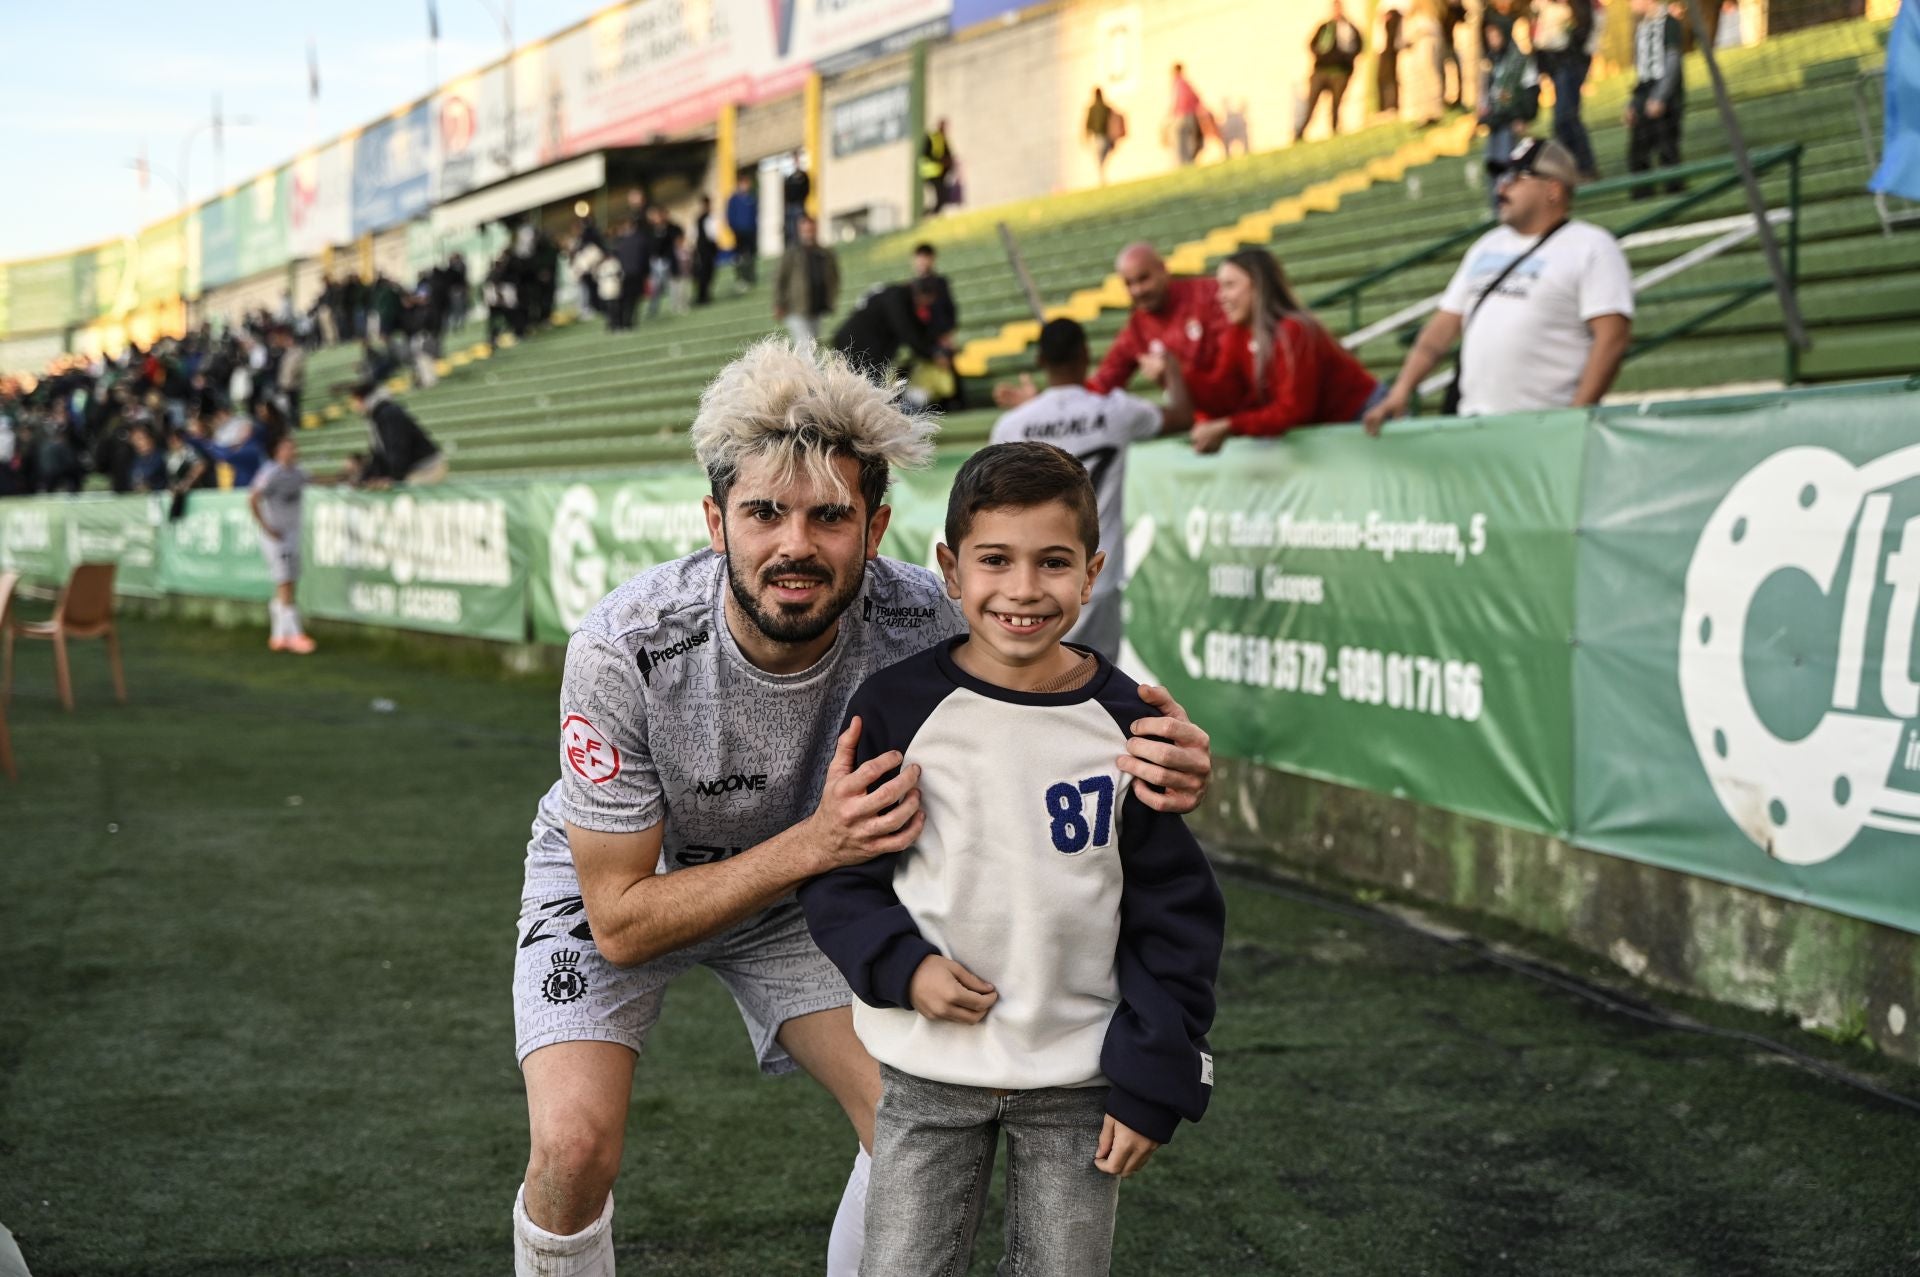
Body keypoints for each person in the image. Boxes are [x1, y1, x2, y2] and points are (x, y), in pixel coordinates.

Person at [505, 338, 1216, 1277]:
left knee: (907, 1114)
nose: (795, 543)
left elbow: (1072, 694)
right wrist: (816, 842)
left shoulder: (929, 615)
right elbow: (622, 922)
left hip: (817, 888)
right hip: (645, 878)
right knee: (572, 1149)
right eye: (763, 512)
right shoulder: (624, 646)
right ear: (714, 523)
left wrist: (1168, 753)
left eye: (828, 516)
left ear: (874, 530)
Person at [799, 440, 1224, 1277]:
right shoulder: (896, 707)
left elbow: (1174, 914)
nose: (1025, 589)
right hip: (926, 1068)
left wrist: (1152, 1079)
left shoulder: (1131, 720)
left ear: (1092, 572)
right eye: (996, 560)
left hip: (1078, 1078)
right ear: (951, 570)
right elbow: (841, 870)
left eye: (1053, 562)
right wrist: (905, 967)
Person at [1363, 138, 1633, 429]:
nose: (1500, 188)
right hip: (1474, 426)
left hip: (1543, 428)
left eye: (1515, 178)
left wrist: (1575, 418)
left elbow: (1612, 338)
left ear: (1553, 189)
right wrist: (1402, 389)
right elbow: (1442, 328)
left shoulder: (1592, 245)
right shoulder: (1486, 245)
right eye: (1501, 178)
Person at [988, 318, 1194, 659]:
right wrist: (1170, 366)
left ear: (1040, 360)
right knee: (1094, 690)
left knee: (1028, 688)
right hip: (1095, 577)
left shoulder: (1012, 425)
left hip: (1027, 584)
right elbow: (1183, 416)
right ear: (1086, 355)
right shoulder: (1117, 411)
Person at [1183, 249, 1380, 453]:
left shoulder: (1293, 331)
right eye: (1219, 287)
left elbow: (1293, 410)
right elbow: (1226, 395)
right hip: (1334, 429)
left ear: (1259, 287)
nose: (1219, 297)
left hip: (1366, 416)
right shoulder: (1238, 334)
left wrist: (1230, 426)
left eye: (1229, 286)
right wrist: (1177, 377)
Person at [994, 243, 1232, 411]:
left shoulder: (1210, 295)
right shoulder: (1136, 329)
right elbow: (1101, 385)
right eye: (1129, 284)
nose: (1137, 290)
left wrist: (1175, 374)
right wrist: (1049, 400)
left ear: (1163, 269)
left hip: (1246, 415)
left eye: (1144, 278)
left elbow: (1234, 373)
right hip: (1205, 426)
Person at [250, 432, 315, 656]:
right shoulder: (270, 472)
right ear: (278, 451)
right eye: (288, 447)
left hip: (292, 533)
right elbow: (252, 498)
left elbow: (317, 481)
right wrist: (266, 527)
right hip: (276, 536)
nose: (293, 451)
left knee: (289, 581)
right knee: (285, 582)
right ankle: (293, 634)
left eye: (294, 447)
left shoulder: (298, 473)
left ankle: (279, 636)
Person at [1531, 0, 1600, 181]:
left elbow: (1583, 27)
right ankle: (1575, 167)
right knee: (1565, 118)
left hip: (1571, 63)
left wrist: (1568, 45)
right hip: (1557, 64)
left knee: (1565, 117)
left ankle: (1583, 167)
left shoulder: (1577, 5)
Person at [1479, 20, 1542, 217]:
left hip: (1511, 120)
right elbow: (1491, 93)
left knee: (1510, 166)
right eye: (1489, 36)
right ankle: (1498, 207)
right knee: (1494, 166)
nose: (1492, 40)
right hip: (1496, 121)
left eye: (1496, 35)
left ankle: (1516, 205)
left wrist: (1524, 114)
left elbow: (1531, 89)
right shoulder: (1492, 62)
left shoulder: (1519, 60)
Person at [831, 280, 947, 386]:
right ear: (920, 295)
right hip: (854, 343)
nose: (925, 306)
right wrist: (931, 354)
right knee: (863, 384)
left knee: (870, 383)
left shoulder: (903, 299)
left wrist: (934, 349)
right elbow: (907, 332)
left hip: (867, 344)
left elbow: (915, 330)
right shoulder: (897, 298)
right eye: (926, 302)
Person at [1626, 0, 1686, 200]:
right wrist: (1634, 103)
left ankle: (1675, 194)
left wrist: (1660, 97)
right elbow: (1642, 71)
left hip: (1666, 95)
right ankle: (1643, 194)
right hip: (1645, 92)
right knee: (1638, 149)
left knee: (1667, 147)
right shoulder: (1641, 27)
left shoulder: (1669, 23)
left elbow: (1672, 62)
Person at [343, 379, 447, 487]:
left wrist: (393, 478)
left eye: (356, 401)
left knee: (404, 499)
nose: (355, 407)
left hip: (425, 469)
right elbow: (379, 453)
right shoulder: (375, 417)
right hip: (411, 469)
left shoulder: (388, 413)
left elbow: (398, 448)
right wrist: (365, 478)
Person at [1300, 2, 1365, 140]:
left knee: (1336, 104)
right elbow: (1312, 44)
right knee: (1311, 104)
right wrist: (1320, 55)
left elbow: (1359, 45)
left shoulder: (1349, 27)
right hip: (1321, 71)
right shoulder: (1325, 27)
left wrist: (1347, 60)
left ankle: (1334, 130)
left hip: (1340, 72)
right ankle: (1300, 133)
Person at [774, 216, 840, 347]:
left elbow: (834, 277)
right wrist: (779, 303)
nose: (808, 233)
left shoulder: (825, 253)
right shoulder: (791, 254)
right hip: (795, 308)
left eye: (811, 230)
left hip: (816, 308)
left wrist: (830, 299)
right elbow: (780, 279)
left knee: (813, 344)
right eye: (805, 230)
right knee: (805, 346)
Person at [1401, 0, 1448, 126]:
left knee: (1430, 76)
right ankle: (1424, 112)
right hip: (1417, 46)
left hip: (1426, 43)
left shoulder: (1429, 13)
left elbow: (1429, 29)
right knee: (1421, 79)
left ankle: (1434, 110)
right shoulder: (1415, 13)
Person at [644, 206, 685, 320]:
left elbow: (679, 237)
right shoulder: (650, 230)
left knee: (675, 283)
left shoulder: (670, 227)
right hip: (656, 261)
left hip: (669, 259)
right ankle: (653, 309)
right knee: (655, 287)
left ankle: (678, 305)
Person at [727, 173, 760, 289]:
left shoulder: (751, 198)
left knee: (750, 256)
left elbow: (755, 214)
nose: (746, 186)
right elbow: (730, 215)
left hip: (750, 231)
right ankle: (740, 278)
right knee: (740, 257)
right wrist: (734, 227)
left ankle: (750, 277)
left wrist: (754, 227)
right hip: (739, 232)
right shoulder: (734, 199)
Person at [1085, 88, 1125, 183]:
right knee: (1102, 156)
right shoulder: (1106, 108)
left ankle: (1102, 177)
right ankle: (1102, 177)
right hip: (1105, 136)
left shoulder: (1093, 109)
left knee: (1100, 157)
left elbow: (1088, 123)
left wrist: (1086, 135)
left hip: (1097, 136)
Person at [920, 119, 956, 215]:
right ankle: (927, 214)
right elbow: (925, 154)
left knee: (943, 197)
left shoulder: (944, 139)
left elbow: (948, 154)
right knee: (940, 197)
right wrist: (939, 160)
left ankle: (931, 214)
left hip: (941, 174)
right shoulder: (932, 137)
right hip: (930, 174)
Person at [1169, 63, 1204, 165]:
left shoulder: (1177, 84)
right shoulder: (1186, 83)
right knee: (1190, 141)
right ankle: (1189, 162)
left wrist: (1173, 112)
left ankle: (1184, 163)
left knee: (1180, 142)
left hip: (1181, 116)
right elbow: (1197, 98)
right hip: (1190, 116)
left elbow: (1176, 101)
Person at [692, 195, 720, 307]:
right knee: (703, 273)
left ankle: (705, 295)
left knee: (709, 273)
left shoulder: (710, 217)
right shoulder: (700, 219)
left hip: (709, 249)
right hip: (703, 249)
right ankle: (702, 296)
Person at [1378, 6, 1404, 113]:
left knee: (1391, 77)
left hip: (1393, 48)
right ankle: (1385, 106)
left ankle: (1391, 106)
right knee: (1382, 77)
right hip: (1384, 48)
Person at [783, 158, 812, 247]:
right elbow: (786, 192)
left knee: (801, 225)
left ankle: (801, 244)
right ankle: (793, 245)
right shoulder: (789, 178)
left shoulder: (803, 176)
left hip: (799, 205)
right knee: (792, 228)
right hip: (791, 206)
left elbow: (807, 189)